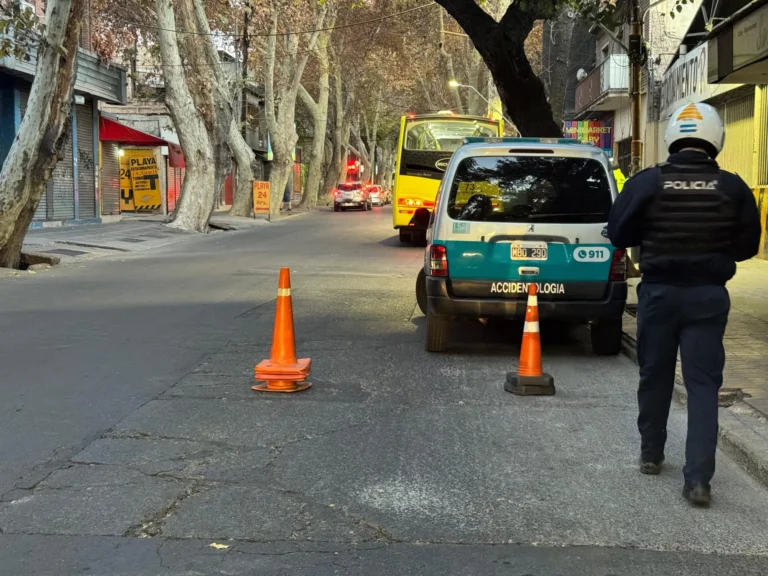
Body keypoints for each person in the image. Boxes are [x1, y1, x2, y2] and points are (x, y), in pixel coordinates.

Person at [607, 102, 761, 507]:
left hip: (659, 295)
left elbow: (618, 233)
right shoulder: (733, 187)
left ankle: (651, 454)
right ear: (716, 139)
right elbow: (747, 248)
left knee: (654, 374)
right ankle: (698, 481)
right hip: (708, 297)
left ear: (672, 138)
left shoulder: (646, 183)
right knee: (703, 384)